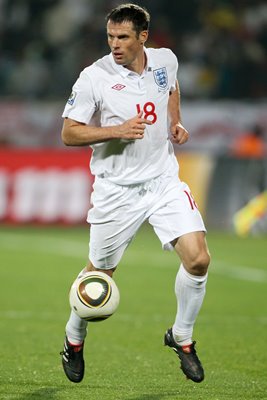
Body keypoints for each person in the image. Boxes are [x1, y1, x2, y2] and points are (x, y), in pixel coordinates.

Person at [60, 3, 210, 384]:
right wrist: (117, 130)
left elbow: (170, 89)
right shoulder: (94, 77)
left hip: (162, 181)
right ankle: (74, 339)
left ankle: (182, 336)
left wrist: (175, 122)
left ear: (143, 36)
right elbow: (69, 133)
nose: (115, 44)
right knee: (99, 274)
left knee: (198, 260)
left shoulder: (165, 60)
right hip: (116, 190)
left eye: (123, 37)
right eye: (110, 36)